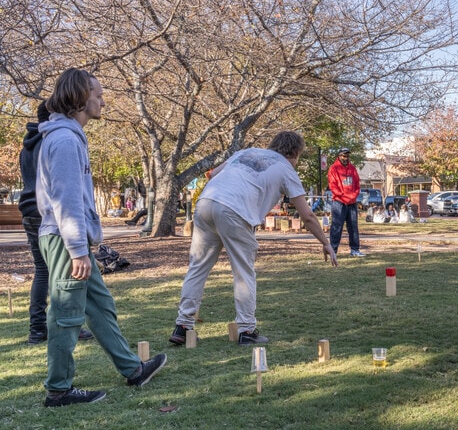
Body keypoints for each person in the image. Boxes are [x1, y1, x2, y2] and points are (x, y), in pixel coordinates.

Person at [36, 68, 166, 407]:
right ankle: (59, 390)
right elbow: (66, 202)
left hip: (72, 243)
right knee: (66, 315)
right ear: (80, 98)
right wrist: (78, 250)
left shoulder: (70, 136)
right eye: (98, 96)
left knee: (100, 306)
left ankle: (133, 369)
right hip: (67, 243)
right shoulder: (64, 140)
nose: (103, 102)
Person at [169, 131, 338, 346]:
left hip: (206, 203)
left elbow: (212, 175)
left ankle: (182, 326)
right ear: (295, 153)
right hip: (234, 211)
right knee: (243, 272)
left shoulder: (246, 152)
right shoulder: (286, 168)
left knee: (197, 267)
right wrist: (325, 242)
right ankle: (247, 330)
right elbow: (308, 215)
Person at [18, 101, 95, 346]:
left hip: (30, 208)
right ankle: (52, 326)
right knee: (54, 272)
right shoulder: (55, 140)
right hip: (48, 211)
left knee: (45, 272)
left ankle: (40, 328)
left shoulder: (28, 144)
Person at [327, 147, 365, 256]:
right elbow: (332, 185)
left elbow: (357, 184)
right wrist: (343, 196)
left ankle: (355, 250)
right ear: (339, 156)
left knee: (353, 226)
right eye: (344, 155)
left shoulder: (352, 168)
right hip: (339, 202)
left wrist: (353, 195)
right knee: (337, 226)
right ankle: (333, 251)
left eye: (347, 156)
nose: (346, 158)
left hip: (352, 202)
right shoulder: (333, 168)